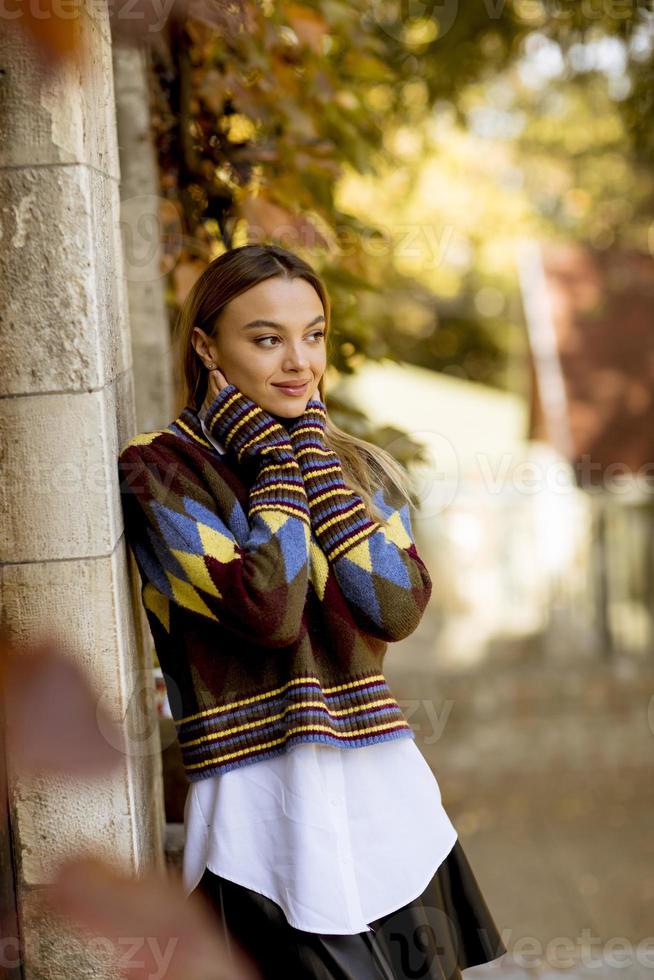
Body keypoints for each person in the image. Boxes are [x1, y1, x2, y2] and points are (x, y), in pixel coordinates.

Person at [117, 243, 507, 980]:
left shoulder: (356, 468)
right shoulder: (159, 469)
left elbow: (394, 605)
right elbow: (268, 605)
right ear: (206, 347)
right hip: (258, 815)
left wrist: (316, 461)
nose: (299, 361)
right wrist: (273, 465)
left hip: (384, 801)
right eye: (267, 339)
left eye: (314, 335)